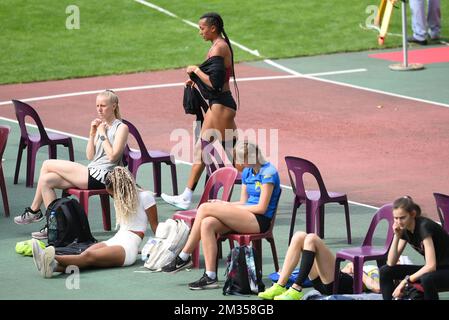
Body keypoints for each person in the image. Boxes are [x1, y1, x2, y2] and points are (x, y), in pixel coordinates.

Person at [161, 141, 281, 290]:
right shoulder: (247, 172)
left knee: (205, 208)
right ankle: (210, 276)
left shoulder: (268, 172)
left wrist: (227, 208)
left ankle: (184, 256)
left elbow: (262, 208)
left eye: (240, 160)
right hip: (246, 216)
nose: (238, 163)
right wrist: (225, 205)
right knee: (208, 223)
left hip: (259, 220)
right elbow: (243, 202)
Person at [14, 90, 129, 240]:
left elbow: (113, 157)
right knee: (46, 180)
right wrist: (92, 133)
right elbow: (90, 156)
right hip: (91, 170)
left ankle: (34, 210)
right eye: (97, 106)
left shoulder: (121, 128)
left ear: (114, 106)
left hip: (103, 177)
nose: (99, 109)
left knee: (47, 164)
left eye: (103, 106)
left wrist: (102, 133)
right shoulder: (101, 126)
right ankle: (54, 225)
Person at [161, 12, 239, 211]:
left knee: (232, 155)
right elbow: (214, 80)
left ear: (213, 28)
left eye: (202, 28)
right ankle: (187, 196)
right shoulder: (217, 47)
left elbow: (214, 83)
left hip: (221, 107)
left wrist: (196, 71)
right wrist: (196, 80)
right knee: (205, 149)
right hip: (219, 106)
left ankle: (257, 189)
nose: (200, 32)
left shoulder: (219, 48)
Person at [31, 167, 158, 278]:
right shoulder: (122, 198)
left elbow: (155, 227)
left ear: (121, 189)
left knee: (89, 257)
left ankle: (47, 257)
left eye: (113, 194)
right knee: (85, 255)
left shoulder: (146, 197)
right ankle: (52, 267)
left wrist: (156, 248)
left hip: (127, 248)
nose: (113, 197)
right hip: (115, 240)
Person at [258, 231, 380, 300]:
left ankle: (296, 288)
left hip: (342, 285)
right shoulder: (377, 268)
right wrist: (350, 267)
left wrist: (358, 271)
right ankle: (280, 285)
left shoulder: (379, 274)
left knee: (312, 239)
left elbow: (376, 288)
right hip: (326, 281)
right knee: (299, 236)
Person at [379, 196, 449, 300]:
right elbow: (391, 262)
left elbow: (431, 266)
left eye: (402, 217)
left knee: (427, 279)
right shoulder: (405, 228)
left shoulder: (424, 227)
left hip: (445, 270)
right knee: (385, 271)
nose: (398, 222)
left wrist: (405, 281)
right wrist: (396, 236)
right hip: (437, 270)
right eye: (395, 218)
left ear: (412, 214)